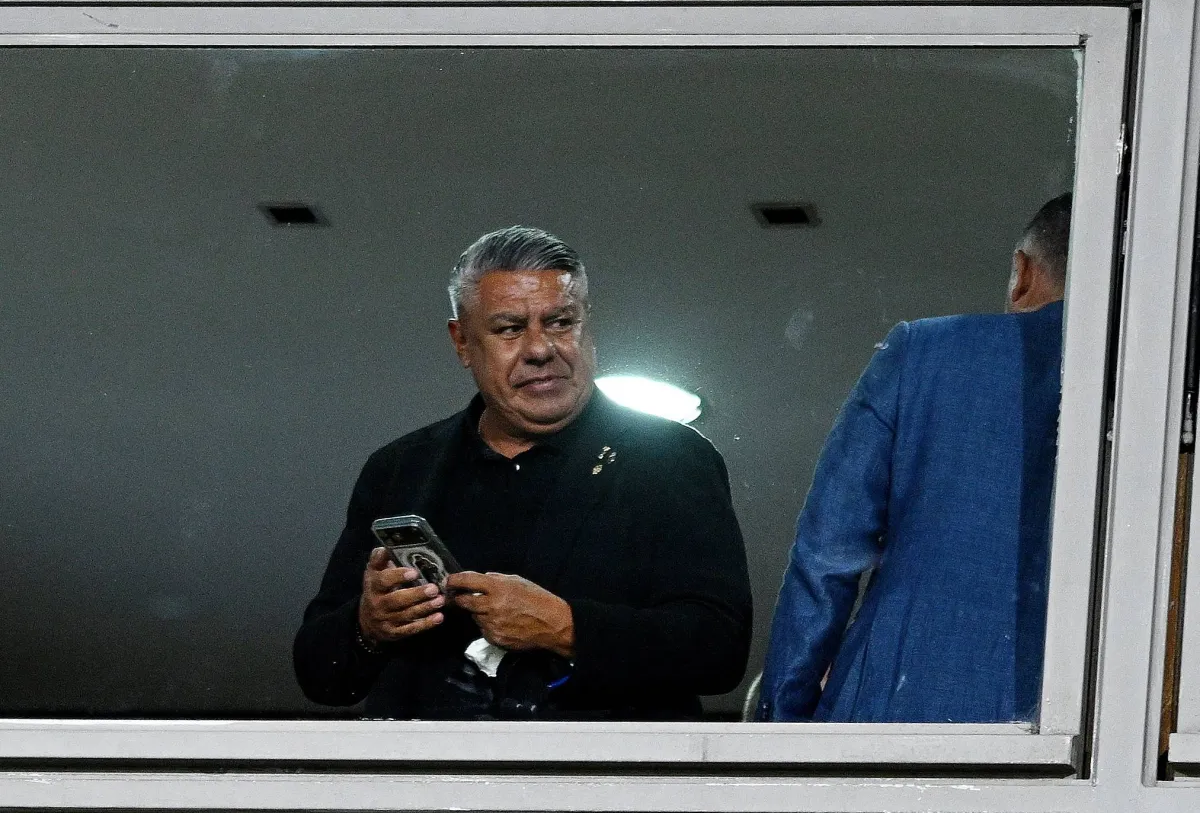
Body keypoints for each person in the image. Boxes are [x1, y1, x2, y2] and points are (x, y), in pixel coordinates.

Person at [294, 226, 752, 720]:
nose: (540, 349)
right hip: (434, 768)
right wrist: (369, 625)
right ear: (462, 342)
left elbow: (720, 650)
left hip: (604, 768)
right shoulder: (402, 468)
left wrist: (566, 627)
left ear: (588, 325)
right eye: (510, 329)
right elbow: (318, 674)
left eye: (561, 322)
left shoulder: (672, 458)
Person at [757, 193, 1072, 723]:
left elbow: (826, 557)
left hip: (898, 719)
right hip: (1100, 733)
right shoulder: (1161, 394)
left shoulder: (925, 352)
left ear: (1021, 273)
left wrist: (781, 727)